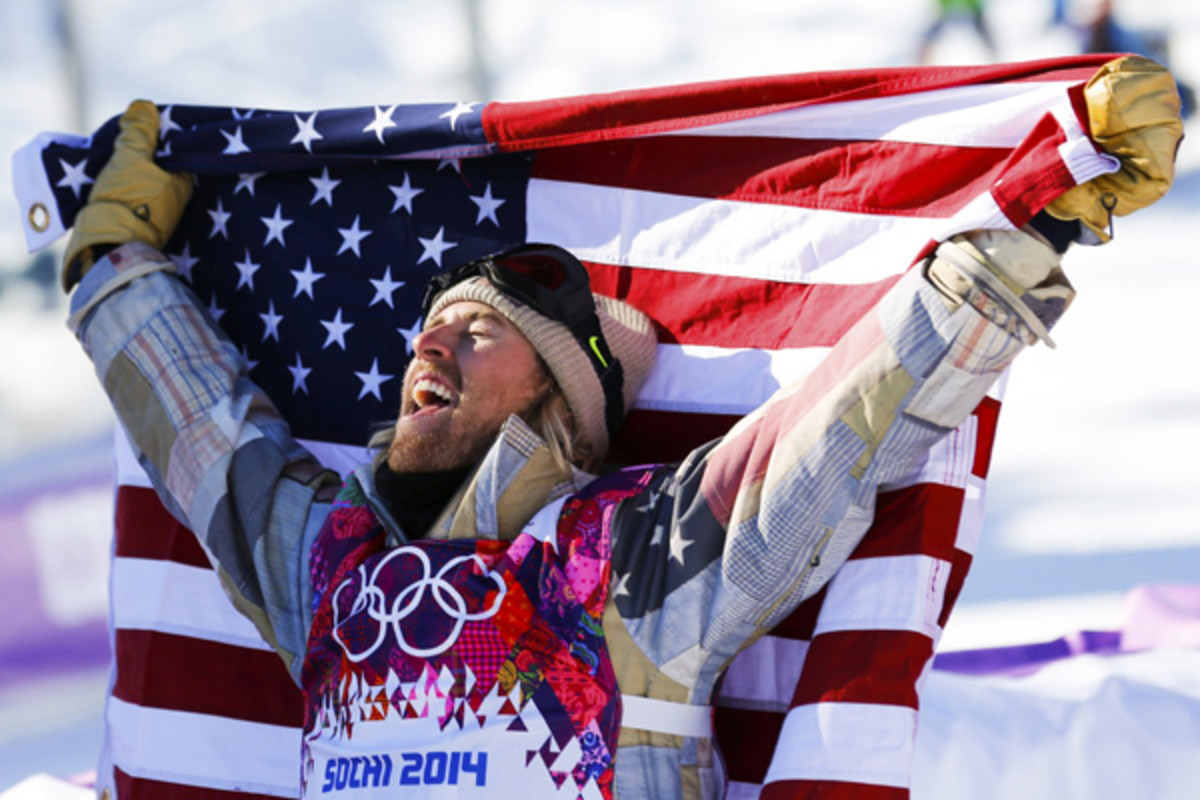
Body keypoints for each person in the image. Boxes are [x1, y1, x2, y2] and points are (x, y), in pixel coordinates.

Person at [61, 57, 1181, 800]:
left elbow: (842, 427)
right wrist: (111, 262)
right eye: (429, 330)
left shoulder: (619, 566)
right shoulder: (329, 570)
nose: (428, 349)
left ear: (559, 406)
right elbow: (204, 430)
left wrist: (1028, 223)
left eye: (475, 332)